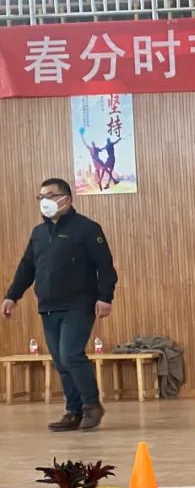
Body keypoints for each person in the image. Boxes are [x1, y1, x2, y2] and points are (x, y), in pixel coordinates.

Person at [2, 178, 116, 432]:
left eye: (51, 195)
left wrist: (105, 297)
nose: (46, 201)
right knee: (60, 361)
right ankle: (73, 412)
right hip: (48, 306)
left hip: (78, 304)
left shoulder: (87, 229)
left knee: (71, 354)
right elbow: (26, 267)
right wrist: (12, 295)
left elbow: (105, 267)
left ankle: (91, 406)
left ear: (67, 198)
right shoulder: (38, 233)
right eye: (41, 197)